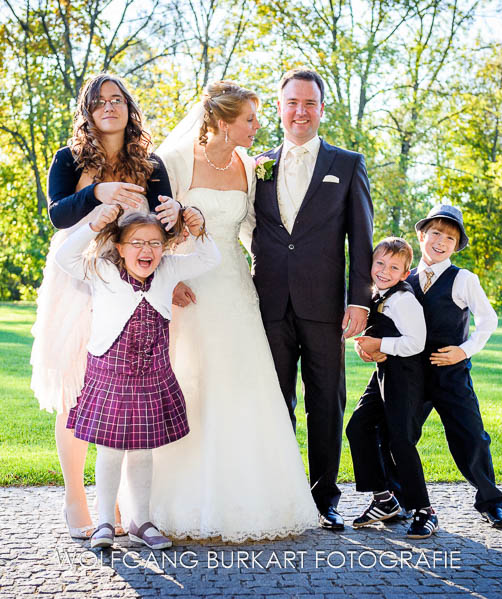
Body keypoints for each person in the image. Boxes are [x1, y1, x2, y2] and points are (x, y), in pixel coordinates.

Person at [148, 80, 318, 542]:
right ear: (223, 121)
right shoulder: (177, 161)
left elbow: (248, 230)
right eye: (250, 118)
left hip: (237, 287)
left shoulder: (248, 164)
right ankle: (179, 502)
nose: (258, 126)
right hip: (190, 288)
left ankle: (251, 498)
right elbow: (153, 229)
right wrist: (170, 277)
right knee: (192, 384)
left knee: (244, 384)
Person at [29, 73, 181, 539]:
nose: (109, 107)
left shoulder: (150, 163)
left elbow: (161, 228)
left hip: (134, 285)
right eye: (100, 102)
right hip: (79, 279)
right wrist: (98, 192)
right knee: (79, 388)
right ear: (89, 112)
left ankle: (120, 502)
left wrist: (174, 216)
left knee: (125, 389)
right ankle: (76, 495)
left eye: (118, 100)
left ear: (129, 109)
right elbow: (56, 214)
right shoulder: (69, 158)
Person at [245, 68, 374, 530]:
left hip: (325, 307)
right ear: (278, 108)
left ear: (322, 109)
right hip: (269, 303)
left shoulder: (347, 164)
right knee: (275, 402)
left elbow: (362, 239)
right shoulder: (254, 164)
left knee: (326, 403)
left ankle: (325, 499)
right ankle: (278, 494)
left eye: (309, 103)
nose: (300, 111)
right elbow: (247, 227)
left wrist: (359, 301)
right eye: (292, 102)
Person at [55, 205, 219, 550]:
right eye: (137, 243)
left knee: (143, 451)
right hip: (110, 375)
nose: (147, 251)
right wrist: (94, 225)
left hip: (151, 376)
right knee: (110, 451)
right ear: (119, 246)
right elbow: (64, 257)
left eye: (156, 243)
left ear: (165, 246)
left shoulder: (169, 268)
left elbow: (208, 260)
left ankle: (140, 520)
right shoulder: (101, 269)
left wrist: (199, 228)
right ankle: (104, 521)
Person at [407, 204, 502, 530]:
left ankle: (490, 502)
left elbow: (488, 320)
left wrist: (464, 352)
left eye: (450, 238)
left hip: (451, 374)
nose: (441, 241)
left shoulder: (463, 279)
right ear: (422, 235)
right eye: (435, 233)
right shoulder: (406, 277)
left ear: (456, 245)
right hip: (411, 374)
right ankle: (398, 497)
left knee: (471, 436)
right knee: (398, 434)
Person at [345, 237, 437, 538]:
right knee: (358, 427)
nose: (384, 270)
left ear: (404, 272)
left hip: (407, 377)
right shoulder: (375, 294)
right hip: (383, 372)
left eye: (393, 267)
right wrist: (367, 348)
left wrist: (380, 344)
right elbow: (374, 336)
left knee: (400, 441)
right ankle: (384, 499)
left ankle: (425, 511)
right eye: (380, 263)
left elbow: (416, 343)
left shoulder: (404, 300)